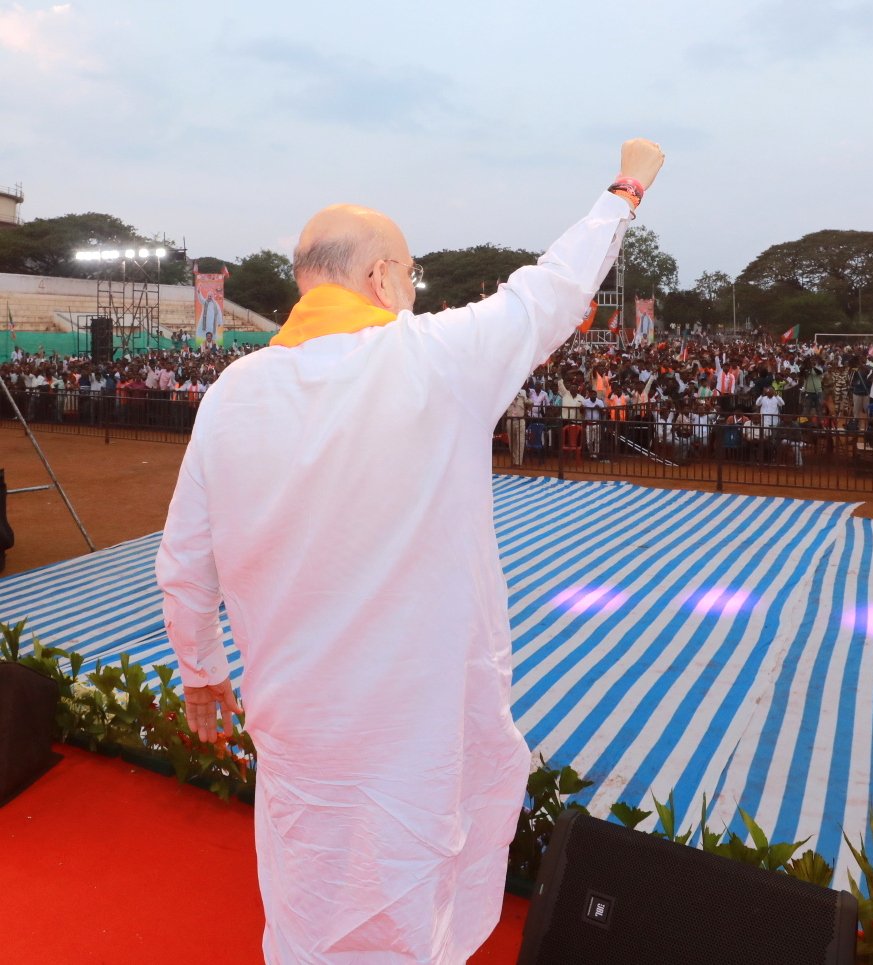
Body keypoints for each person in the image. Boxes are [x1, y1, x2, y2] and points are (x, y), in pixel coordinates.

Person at [155, 138, 664, 963]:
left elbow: (183, 561)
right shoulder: (432, 358)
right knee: (406, 909)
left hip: (297, 725)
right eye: (412, 277)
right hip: (409, 731)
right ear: (384, 276)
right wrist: (626, 188)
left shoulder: (232, 393)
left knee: (305, 899)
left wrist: (201, 668)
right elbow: (554, 288)